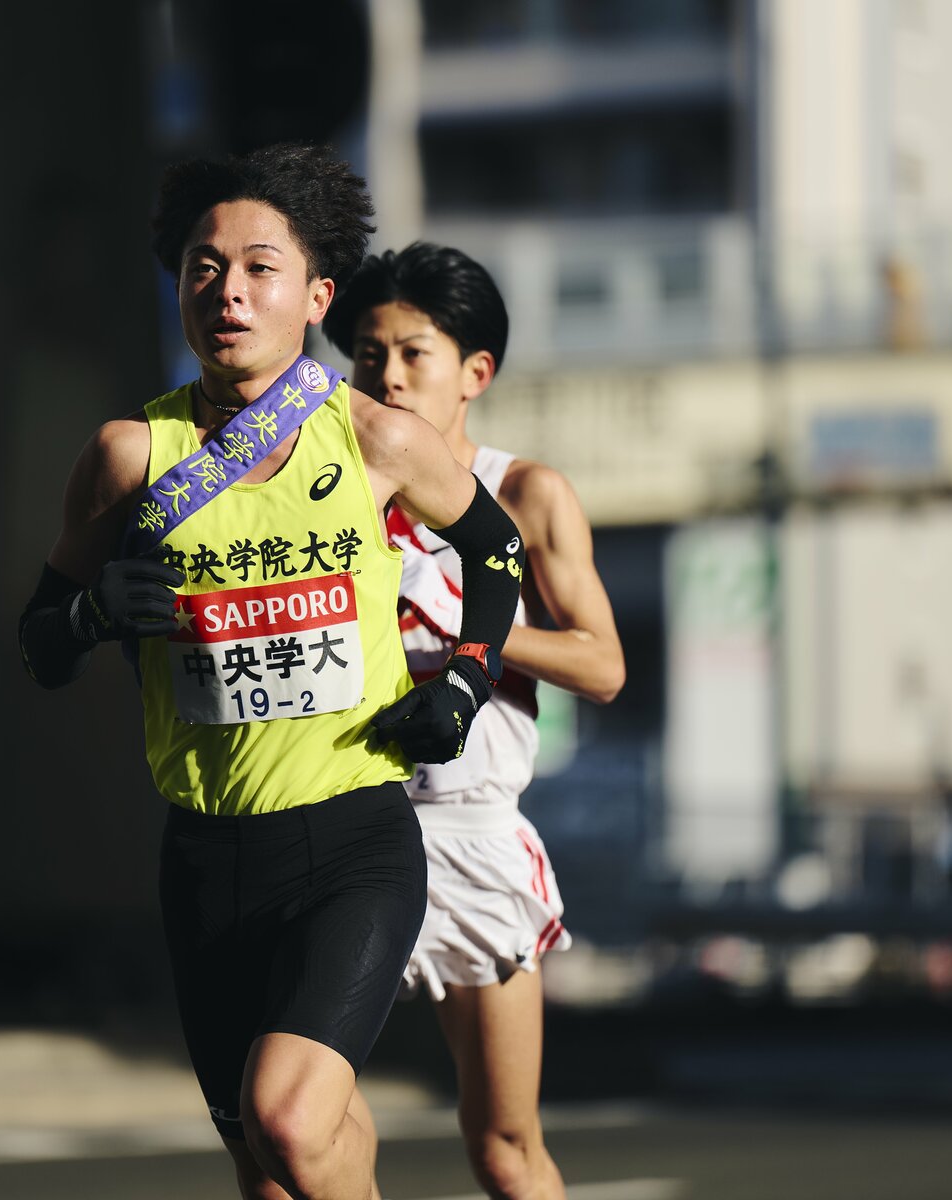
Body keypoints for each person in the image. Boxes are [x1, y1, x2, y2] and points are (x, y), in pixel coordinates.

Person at [17, 146, 524, 1200]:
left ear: (316, 295)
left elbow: (497, 550)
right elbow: (37, 641)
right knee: (271, 1171)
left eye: (259, 267)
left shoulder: (375, 437)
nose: (229, 292)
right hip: (206, 858)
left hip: (353, 841)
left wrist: (468, 681)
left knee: (287, 1117)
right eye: (204, 268)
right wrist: (96, 610)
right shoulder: (126, 457)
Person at [323, 243, 625, 1200]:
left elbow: (603, 663)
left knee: (503, 1147)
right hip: (350, 826)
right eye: (369, 355)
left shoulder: (528, 494)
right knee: (309, 1125)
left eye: (415, 352)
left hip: (475, 833)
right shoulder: (321, 491)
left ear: (475, 373)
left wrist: (475, 633)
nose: (390, 376)